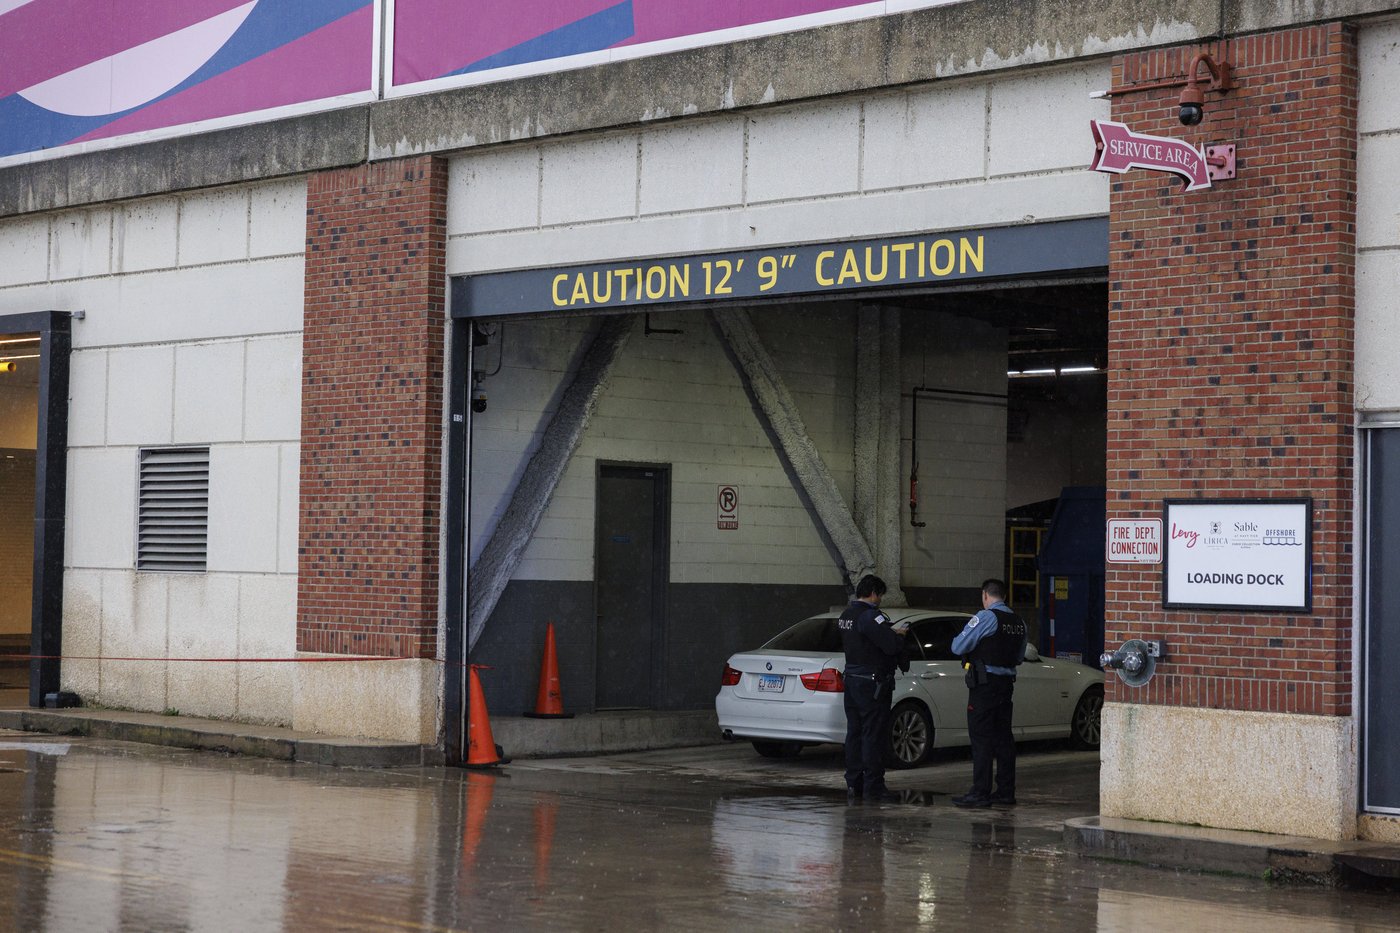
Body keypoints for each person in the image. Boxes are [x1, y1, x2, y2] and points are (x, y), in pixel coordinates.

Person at [950, 578, 1027, 808]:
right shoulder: (1019, 621)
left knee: (981, 739)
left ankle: (980, 792)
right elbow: (1020, 657)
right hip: (1006, 685)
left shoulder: (986, 617)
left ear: (985, 595)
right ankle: (1005, 791)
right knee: (1003, 739)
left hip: (985, 686)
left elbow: (957, 646)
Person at [837, 574, 909, 803]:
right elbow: (888, 646)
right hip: (872, 683)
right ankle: (874, 786)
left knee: (855, 733)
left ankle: (854, 783)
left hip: (852, 681)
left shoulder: (846, 614)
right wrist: (898, 636)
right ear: (874, 593)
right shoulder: (870, 616)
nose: (880, 600)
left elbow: (861, 639)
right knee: (873, 735)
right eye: (880, 596)